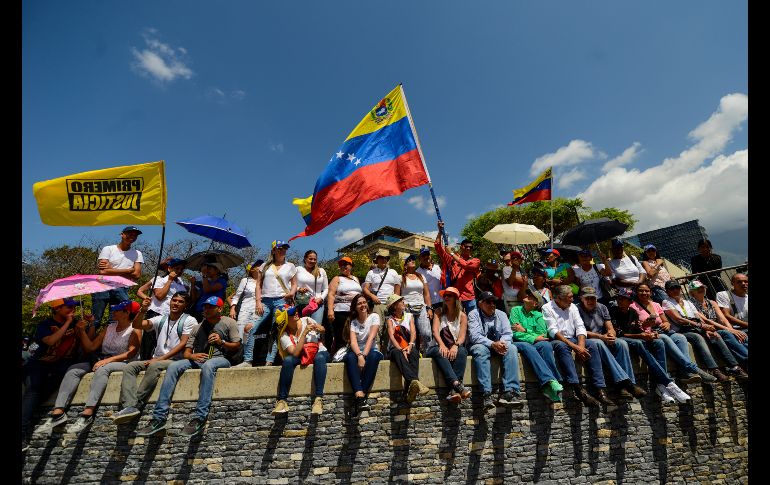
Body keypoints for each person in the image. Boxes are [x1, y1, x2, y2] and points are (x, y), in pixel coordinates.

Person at [137, 296, 241, 438]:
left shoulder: (229, 322)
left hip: (221, 359)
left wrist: (221, 342)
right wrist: (192, 356)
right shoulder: (197, 327)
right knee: (174, 366)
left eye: (211, 307)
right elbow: (186, 353)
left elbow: (236, 346)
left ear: (220, 309)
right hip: (199, 359)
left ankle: (200, 416)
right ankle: (159, 417)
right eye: (205, 307)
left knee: (208, 366)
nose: (207, 309)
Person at [35, 300, 141, 436]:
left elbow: (131, 353)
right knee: (74, 369)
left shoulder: (135, 329)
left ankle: (88, 412)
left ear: (126, 313)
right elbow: (90, 347)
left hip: (124, 362)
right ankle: (58, 412)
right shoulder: (109, 327)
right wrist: (81, 331)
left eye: (117, 309)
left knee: (102, 369)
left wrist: (107, 360)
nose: (113, 311)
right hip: (103, 360)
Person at [112, 292, 197, 424]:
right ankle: (129, 405)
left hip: (176, 360)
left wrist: (159, 359)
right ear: (170, 302)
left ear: (186, 305)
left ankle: (137, 403)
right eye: (174, 300)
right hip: (158, 358)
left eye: (180, 302)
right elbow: (137, 325)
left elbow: (183, 344)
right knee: (130, 367)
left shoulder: (190, 320)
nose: (176, 303)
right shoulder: (161, 319)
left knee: (154, 365)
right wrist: (143, 310)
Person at [22, 299, 93, 451]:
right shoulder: (45, 325)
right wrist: (68, 323)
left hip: (61, 365)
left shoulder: (77, 323)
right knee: (33, 391)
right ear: (57, 308)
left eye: (74, 307)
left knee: (38, 397)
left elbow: (88, 347)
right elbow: (51, 340)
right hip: (40, 362)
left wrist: (89, 325)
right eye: (69, 307)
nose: (73, 309)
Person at [608, 288, 692, 404]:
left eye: (623, 299)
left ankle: (661, 384)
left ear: (630, 301)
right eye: (619, 298)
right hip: (622, 340)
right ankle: (668, 382)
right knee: (639, 343)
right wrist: (640, 336)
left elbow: (638, 329)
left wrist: (649, 334)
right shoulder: (613, 311)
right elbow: (619, 333)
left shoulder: (633, 312)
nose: (620, 301)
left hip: (635, 338)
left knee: (658, 342)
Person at [541, 285, 613, 407]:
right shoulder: (547, 308)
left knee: (592, 344)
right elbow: (553, 331)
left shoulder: (572, 306)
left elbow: (580, 327)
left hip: (574, 338)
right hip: (558, 340)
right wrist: (576, 348)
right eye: (569, 297)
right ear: (559, 298)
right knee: (562, 346)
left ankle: (600, 389)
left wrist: (581, 346)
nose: (572, 299)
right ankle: (577, 388)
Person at [630, 283, 717, 384]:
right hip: (651, 334)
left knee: (680, 337)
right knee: (666, 339)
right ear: (636, 292)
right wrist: (646, 324)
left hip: (663, 330)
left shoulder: (656, 304)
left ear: (650, 292)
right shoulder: (633, 306)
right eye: (641, 290)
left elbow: (665, 321)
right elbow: (634, 327)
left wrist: (666, 324)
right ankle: (693, 368)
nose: (644, 293)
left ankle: (684, 372)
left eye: (647, 291)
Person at [576, 287, 647, 400]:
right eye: (587, 298)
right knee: (599, 343)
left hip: (602, 337)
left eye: (592, 298)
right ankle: (628, 383)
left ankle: (624, 387)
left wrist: (611, 335)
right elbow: (580, 331)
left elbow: (610, 327)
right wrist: (601, 337)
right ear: (581, 299)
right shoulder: (576, 309)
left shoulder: (602, 307)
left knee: (621, 343)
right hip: (586, 338)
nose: (590, 301)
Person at [662, 280, 733, 382]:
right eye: (671, 288)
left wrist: (706, 328)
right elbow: (679, 319)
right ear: (667, 291)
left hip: (696, 327)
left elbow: (698, 317)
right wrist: (700, 326)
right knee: (698, 337)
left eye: (677, 287)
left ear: (680, 289)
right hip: (683, 330)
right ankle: (714, 369)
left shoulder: (688, 302)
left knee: (715, 335)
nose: (675, 290)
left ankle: (733, 366)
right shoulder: (666, 302)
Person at [467, 291, 523, 410]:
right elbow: (475, 336)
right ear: (480, 303)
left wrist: (501, 343)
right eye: (488, 302)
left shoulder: (501, 314)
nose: (492, 304)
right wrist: (493, 344)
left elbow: (508, 333)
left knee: (512, 348)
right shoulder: (473, 314)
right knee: (480, 350)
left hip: (499, 344)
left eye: (494, 302)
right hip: (482, 345)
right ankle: (486, 394)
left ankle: (510, 392)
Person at [246, 240, 298, 367]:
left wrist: (292, 293)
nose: (282, 251)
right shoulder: (264, 266)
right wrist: (258, 301)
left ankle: (269, 361)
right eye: (280, 248)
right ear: (273, 250)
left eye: (285, 248)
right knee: (252, 327)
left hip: (282, 300)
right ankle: (247, 360)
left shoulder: (290, 266)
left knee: (276, 331)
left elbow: (294, 284)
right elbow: (258, 285)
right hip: (265, 301)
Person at [509, 288, 564, 403]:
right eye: (528, 294)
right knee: (528, 346)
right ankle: (552, 380)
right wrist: (533, 337)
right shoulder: (515, 310)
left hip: (534, 342)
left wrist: (525, 330)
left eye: (531, 297)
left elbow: (542, 335)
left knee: (546, 345)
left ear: (535, 304)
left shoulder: (538, 315)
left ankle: (549, 386)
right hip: (518, 342)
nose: (527, 296)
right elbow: (515, 333)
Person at [272, 305, 329, 415]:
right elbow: (295, 353)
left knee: (320, 358)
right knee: (288, 361)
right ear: (286, 319)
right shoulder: (284, 335)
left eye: (296, 311)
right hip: (301, 356)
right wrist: (304, 333)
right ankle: (282, 401)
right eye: (292, 313)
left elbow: (323, 329)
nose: (296, 313)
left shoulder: (306, 320)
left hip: (318, 351)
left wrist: (318, 328)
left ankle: (318, 399)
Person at [686, 280, 748, 376]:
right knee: (727, 333)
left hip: (718, 327)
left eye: (702, 287)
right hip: (706, 329)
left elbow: (722, 319)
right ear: (691, 292)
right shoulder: (690, 304)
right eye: (697, 288)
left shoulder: (712, 302)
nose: (701, 289)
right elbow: (707, 321)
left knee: (741, 334)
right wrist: (730, 330)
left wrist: (733, 330)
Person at [424, 287, 471, 403]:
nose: (446, 297)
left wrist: (455, 345)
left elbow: (462, 336)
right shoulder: (438, 312)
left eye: (449, 295)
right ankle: (457, 384)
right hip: (436, 346)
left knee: (462, 351)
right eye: (444, 295)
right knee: (440, 351)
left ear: (455, 298)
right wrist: (442, 345)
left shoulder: (463, 316)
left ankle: (454, 391)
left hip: (453, 346)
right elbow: (435, 331)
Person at [92, 226, 144, 328]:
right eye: (129, 234)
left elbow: (137, 274)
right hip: (102, 286)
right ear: (122, 234)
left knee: (115, 321)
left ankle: (109, 339)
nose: (132, 236)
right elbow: (103, 271)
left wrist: (111, 269)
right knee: (95, 320)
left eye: (135, 235)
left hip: (121, 288)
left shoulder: (137, 253)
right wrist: (128, 270)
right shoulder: (108, 249)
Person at [342, 294, 384, 414]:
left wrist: (364, 355)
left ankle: (360, 396)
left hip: (371, 350)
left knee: (374, 356)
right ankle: (361, 398)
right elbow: (353, 342)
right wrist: (360, 356)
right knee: (349, 357)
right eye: (359, 303)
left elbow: (371, 337)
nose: (363, 305)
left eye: (364, 302)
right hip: (357, 351)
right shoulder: (354, 322)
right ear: (355, 307)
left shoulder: (374, 316)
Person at [385, 294, 430, 403]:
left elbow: (413, 332)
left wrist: (410, 345)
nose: (403, 303)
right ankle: (415, 381)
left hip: (408, 345)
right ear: (395, 306)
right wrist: (401, 350)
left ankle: (409, 388)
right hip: (395, 348)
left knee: (414, 353)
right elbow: (392, 337)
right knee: (397, 353)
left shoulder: (409, 316)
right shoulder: (390, 320)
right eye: (400, 301)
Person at [435, 221, 481, 313]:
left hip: (470, 297)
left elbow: (466, 265)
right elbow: (438, 247)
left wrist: (451, 253)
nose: (468, 248)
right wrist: (440, 231)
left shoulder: (475, 260)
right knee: (457, 320)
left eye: (471, 247)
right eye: (466, 246)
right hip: (456, 297)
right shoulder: (452, 259)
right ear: (461, 247)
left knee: (473, 320)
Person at [326, 257, 363, 352]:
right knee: (341, 336)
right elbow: (331, 294)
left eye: (346, 264)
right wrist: (330, 310)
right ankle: (339, 356)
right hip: (341, 311)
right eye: (341, 265)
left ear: (351, 266)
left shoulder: (356, 279)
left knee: (355, 335)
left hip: (355, 312)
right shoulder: (337, 278)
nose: (343, 266)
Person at [398, 254, 433, 350]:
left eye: (413, 259)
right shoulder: (400, 278)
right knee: (409, 334)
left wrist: (429, 308)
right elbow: (397, 295)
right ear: (405, 265)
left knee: (426, 333)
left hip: (421, 307)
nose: (412, 261)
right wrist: (399, 309)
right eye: (409, 260)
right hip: (407, 308)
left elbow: (426, 294)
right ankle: (411, 353)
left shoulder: (421, 276)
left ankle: (428, 353)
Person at [363, 249, 401, 330]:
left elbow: (397, 289)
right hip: (377, 304)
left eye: (385, 258)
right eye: (381, 258)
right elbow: (365, 289)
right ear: (377, 260)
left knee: (390, 329)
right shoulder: (371, 272)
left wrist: (395, 303)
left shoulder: (393, 272)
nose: (383, 260)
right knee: (377, 328)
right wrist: (372, 296)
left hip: (390, 305)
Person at [229, 260, 264, 348]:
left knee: (253, 331)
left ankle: (250, 352)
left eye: (261, 265)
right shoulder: (245, 281)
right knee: (241, 331)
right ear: (251, 269)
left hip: (258, 310)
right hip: (245, 309)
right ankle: (241, 351)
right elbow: (237, 296)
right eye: (258, 265)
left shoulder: (264, 281)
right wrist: (232, 308)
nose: (260, 266)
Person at [295, 250, 329, 324]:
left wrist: (321, 298)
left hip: (317, 304)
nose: (313, 261)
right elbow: (290, 284)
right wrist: (298, 289)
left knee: (315, 326)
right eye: (310, 259)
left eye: (315, 259)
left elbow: (326, 288)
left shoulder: (321, 271)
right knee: (302, 327)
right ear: (305, 259)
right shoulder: (298, 269)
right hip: (302, 302)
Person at [416, 247, 443, 315]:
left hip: (443, 301)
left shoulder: (437, 267)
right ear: (419, 258)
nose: (426, 257)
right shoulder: (417, 272)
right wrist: (429, 307)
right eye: (423, 255)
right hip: (430, 304)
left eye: (427, 255)